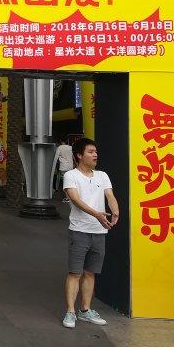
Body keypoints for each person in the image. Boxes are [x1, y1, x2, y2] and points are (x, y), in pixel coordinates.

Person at [62, 137, 119, 329]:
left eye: (96, 152)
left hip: (99, 232)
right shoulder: (71, 175)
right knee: (75, 273)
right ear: (79, 155)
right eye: (90, 152)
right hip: (79, 231)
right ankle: (70, 311)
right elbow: (75, 199)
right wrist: (96, 214)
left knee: (90, 272)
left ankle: (85, 310)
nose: (95, 155)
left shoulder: (102, 175)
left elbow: (109, 195)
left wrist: (115, 210)